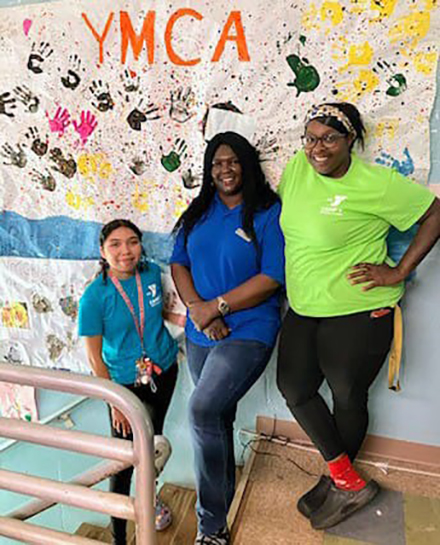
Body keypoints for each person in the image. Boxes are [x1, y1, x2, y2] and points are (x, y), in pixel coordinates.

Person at [277, 102, 440, 530]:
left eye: (329, 138)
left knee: (347, 394)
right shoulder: (296, 167)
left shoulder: (376, 183)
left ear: (351, 140)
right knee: (294, 387)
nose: (317, 148)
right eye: (311, 137)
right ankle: (345, 479)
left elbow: (434, 213)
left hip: (359, 308)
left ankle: (339, 483)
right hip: (304, 305)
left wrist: (400, 271)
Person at [170, 132, 285, 545]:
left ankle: (211, 525)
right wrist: (201, 310)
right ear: (209, 169)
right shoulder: (199, 210)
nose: (225, 169)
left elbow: (271, 278)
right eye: (217, 163)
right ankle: (223, 497)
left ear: (247, 164)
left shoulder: (267, 212)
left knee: (201, 410)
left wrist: (217, 307)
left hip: (250, 330)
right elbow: (178, 264)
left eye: (233, 161)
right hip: (202, 330)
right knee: (217, 415)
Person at [78, 219, 178, 544]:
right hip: (124, 387)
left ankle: (148, 498)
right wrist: (115, 403)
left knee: (153, 446)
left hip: (163, 371)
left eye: (132, 242)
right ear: (102, 251)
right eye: (116, 244)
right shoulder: (94, 297)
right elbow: (95, 358)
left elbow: (159, 315)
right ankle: (119, 534)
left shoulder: (150, 274)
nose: (126, 251)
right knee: (123, 463)